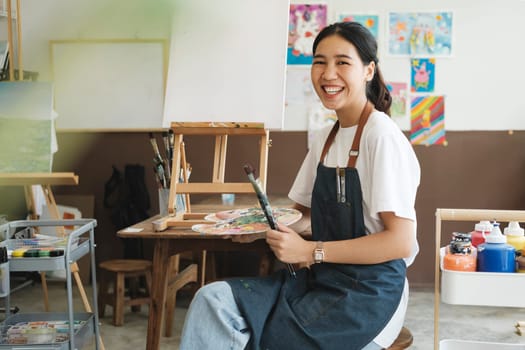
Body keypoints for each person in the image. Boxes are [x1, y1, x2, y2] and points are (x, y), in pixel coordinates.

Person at [179, 21, 420, 350]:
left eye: (342, 62)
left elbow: (401, 242)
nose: (328, 74)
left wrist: (309, 250)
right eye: (319, 61)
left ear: (368, 70)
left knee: (271, 339)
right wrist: (262, 226)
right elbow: (305, 217)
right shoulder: (327, 137)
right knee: (213, 301)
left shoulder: (381, 135)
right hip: (321, 280)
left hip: (370, 294)